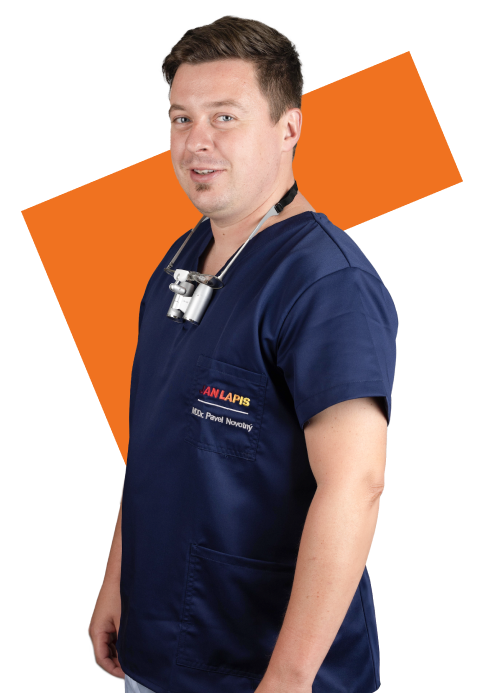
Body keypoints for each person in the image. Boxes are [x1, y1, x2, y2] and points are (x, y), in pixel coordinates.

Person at [87, 15, 398, 693]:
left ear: (288, 129)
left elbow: (355, 484)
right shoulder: (179, 259)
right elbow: (157, 443)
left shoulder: (328, 283)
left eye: (224, 117)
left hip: (261, 666)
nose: (195, 142)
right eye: (181, 118)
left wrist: (289, 677)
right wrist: (117, 579)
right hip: (156, 643)